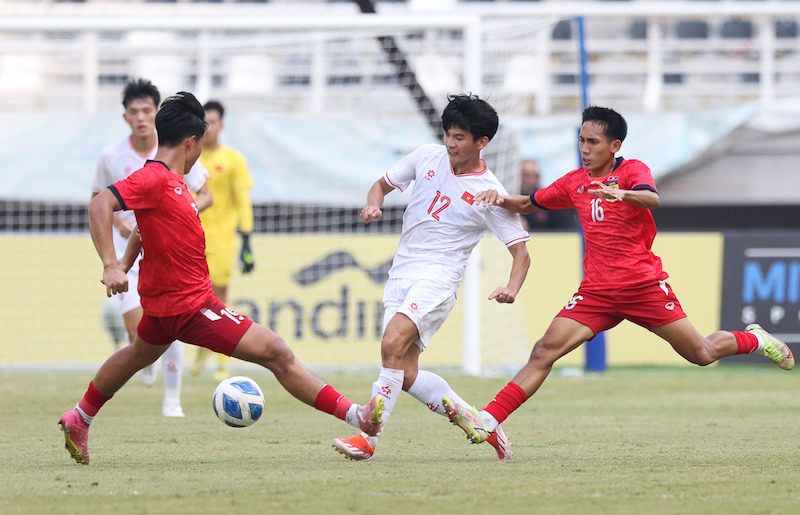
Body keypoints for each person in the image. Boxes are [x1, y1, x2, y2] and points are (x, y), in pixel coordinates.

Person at [58, 91, 384, 465]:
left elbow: (142, 229)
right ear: (191, 141)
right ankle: (357, 416)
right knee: (277, 352)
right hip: (191, 306)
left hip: (167, 305)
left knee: (136, 355)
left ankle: (79, 418)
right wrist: (110, 265)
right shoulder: (156, 179)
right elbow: (100, 203)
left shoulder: (172, 182)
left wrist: (126, 264)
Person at [443, 106, 795, 451]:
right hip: (596, 293)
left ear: (615, 146)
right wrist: (499, 198)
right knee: (543, 351)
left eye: (593, 142)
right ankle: (489, 419)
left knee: (701, 353)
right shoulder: (574, 182)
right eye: (582, 140)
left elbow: (652, 199)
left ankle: (755, 340)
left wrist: (622, 193)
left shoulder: (632, 172)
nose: (585, 149)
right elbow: (529, 204)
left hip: (643, 287)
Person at [331, 94, 531, 461]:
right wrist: (373, 203)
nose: (450, 144)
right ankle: (478, 421)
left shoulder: (490, 193)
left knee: (391, 344)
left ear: (482, 142)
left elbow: (521, 251)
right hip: (401, 273)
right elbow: (381, 184)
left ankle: (368, 437)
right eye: (448, 135)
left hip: (438, 279)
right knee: (405, 372)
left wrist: (511, 287)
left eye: (460, 138)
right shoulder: (426, 156)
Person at [91, 78, 213, 418]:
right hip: (127, 251)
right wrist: (122, 226)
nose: (141, 117)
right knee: (140, 331)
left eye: (147, 110)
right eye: (134, 112)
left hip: (166, 249)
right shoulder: (111, 155)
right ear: (125, 117)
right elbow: (98, 201)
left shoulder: (176, 146)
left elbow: (206, 194)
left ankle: (172, 399)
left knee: (169, 323)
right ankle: (143, 356)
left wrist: (178, 211)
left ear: (156, 113)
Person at [190, 100, 256, 382]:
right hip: (191, 239)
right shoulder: (189, 158)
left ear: (222, 125)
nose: (209, 128)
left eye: (213, 122)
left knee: (220, 301)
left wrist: (247, 239)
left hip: (222, 241)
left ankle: (222, 361)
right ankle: (202, 350)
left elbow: (243, 200)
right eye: (204, 122)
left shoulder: (233, 159)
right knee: (193, 301)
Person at [518, 158, 575, 231]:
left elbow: (566, 231)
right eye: (520, 175)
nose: (522, 179)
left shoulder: (550, 200)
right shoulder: (510, 199)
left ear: (537, 177)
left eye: (526, 175)